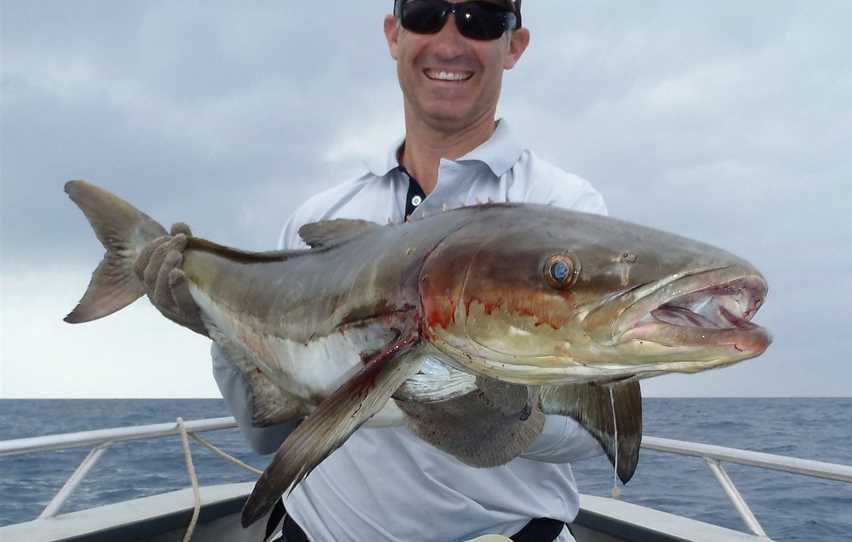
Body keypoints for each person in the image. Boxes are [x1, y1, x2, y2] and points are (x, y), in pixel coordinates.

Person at [137, 1, 611, 540]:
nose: (451, 41)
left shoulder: (563, 211)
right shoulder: (317, 219)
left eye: (481, 19)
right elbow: (267, 435)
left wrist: (506, 417)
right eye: (428, 13)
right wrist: (220, 331)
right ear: (394, 34)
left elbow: (596, 433)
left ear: (514, 45)